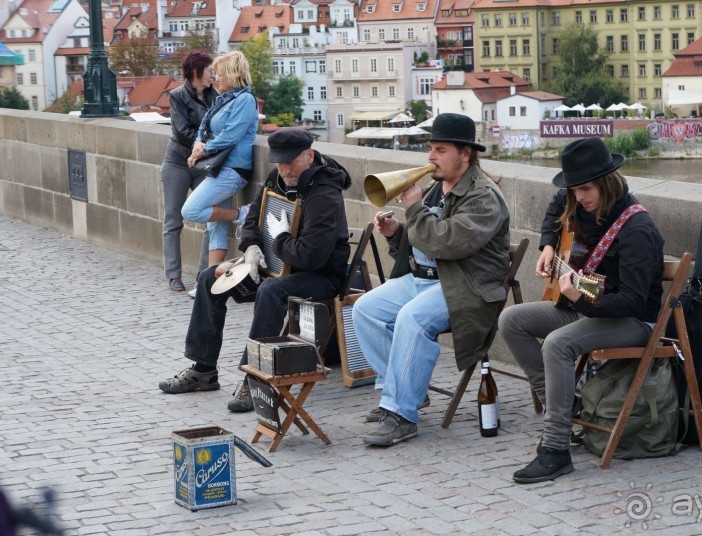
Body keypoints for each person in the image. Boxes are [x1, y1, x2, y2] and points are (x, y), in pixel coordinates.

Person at [497, 137, 665, 483]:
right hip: (590, 303)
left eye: (585, 189)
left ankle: (556, 448)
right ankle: (567, 408)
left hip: (632, 319)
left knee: (558, 343)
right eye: (574, 190)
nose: (578, 197)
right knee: (511, 320)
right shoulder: (576, 201)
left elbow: (632, 301)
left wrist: (578, 298)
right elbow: (555, 206)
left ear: (607, 182)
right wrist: (547, 244)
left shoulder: (637, 229)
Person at [159, 129, 352, 413]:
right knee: (208, 278)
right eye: (279, 162)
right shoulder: (279, 178)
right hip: (280, 266)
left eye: (291, 162)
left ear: (309, 156)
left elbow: (311, 256)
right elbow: (253, 216)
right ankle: (203, 370)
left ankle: (255, 379)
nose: (284, 169)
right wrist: (250, 247)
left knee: (271, 291)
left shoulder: (325, 193)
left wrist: (280, 239)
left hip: (321, 276)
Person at [352, 113, 511, 447]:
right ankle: (406, 393)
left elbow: (446, 243)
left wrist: (413, 209)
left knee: (412, 318)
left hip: (465, 284)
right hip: (425, 278)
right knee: (365, 310)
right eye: (430, 149)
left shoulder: (483, 197)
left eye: (440, 150)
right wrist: (397, 234)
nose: (431, 157)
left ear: (465, 155)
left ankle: (401, 415)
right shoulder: (434, 188)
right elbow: (421, 242)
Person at [183, 50, 258, 268]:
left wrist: (204, 151)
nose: (216, 78)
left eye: (220, 74)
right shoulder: (224, 99)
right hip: (218, 167)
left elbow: (231, 135)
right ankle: (208, 280)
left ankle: (242, 214)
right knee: (215, 227)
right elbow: (205, 126)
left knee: (191, 210)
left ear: (233, 74)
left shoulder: (244, 100)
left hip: (233, 169)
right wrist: (198, 142)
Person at [161, 50, 217, 296]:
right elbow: (182, 131)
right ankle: (173, 275)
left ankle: (203, 275)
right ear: (195, 72)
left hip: (204, 163)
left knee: (211, 217)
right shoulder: (177, 96)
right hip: (177, 162)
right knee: (173, 218)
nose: (213, 75)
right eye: (209, 70)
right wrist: (208, 140)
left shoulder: (216, 95)